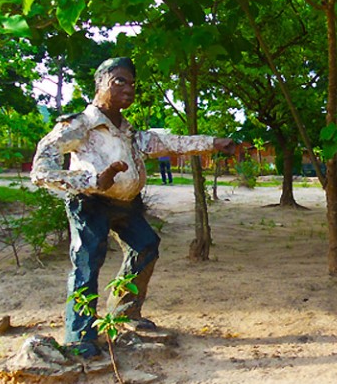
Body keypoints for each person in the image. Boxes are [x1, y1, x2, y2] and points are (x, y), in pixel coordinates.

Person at [31, 57, 235, 358]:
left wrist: (213, 142)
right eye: (119, 81)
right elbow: (40, 170)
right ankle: (79, 335)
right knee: (87, 261)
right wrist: (91, 180)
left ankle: (124, 311)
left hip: (125, 204)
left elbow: (171, 143)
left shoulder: (129, 132)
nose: (129, 88)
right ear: (100, 84)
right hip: (89, 203)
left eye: (132, 83)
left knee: (146, 245)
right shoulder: (80, 125)